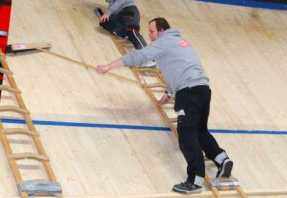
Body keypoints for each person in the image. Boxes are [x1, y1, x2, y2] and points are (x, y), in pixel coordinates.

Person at [96, 17, 233, 194]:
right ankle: (223, 159)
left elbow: (139, 56)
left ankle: (195, 181)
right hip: (202, 89)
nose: (150, 35)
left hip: (188, 92)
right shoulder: (178, 41)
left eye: (152, 31)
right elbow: (178, 68)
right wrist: (169, 93)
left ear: (161, 30)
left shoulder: (164, 41)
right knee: (200, 131)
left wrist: (109, 66)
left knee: (186, 135)